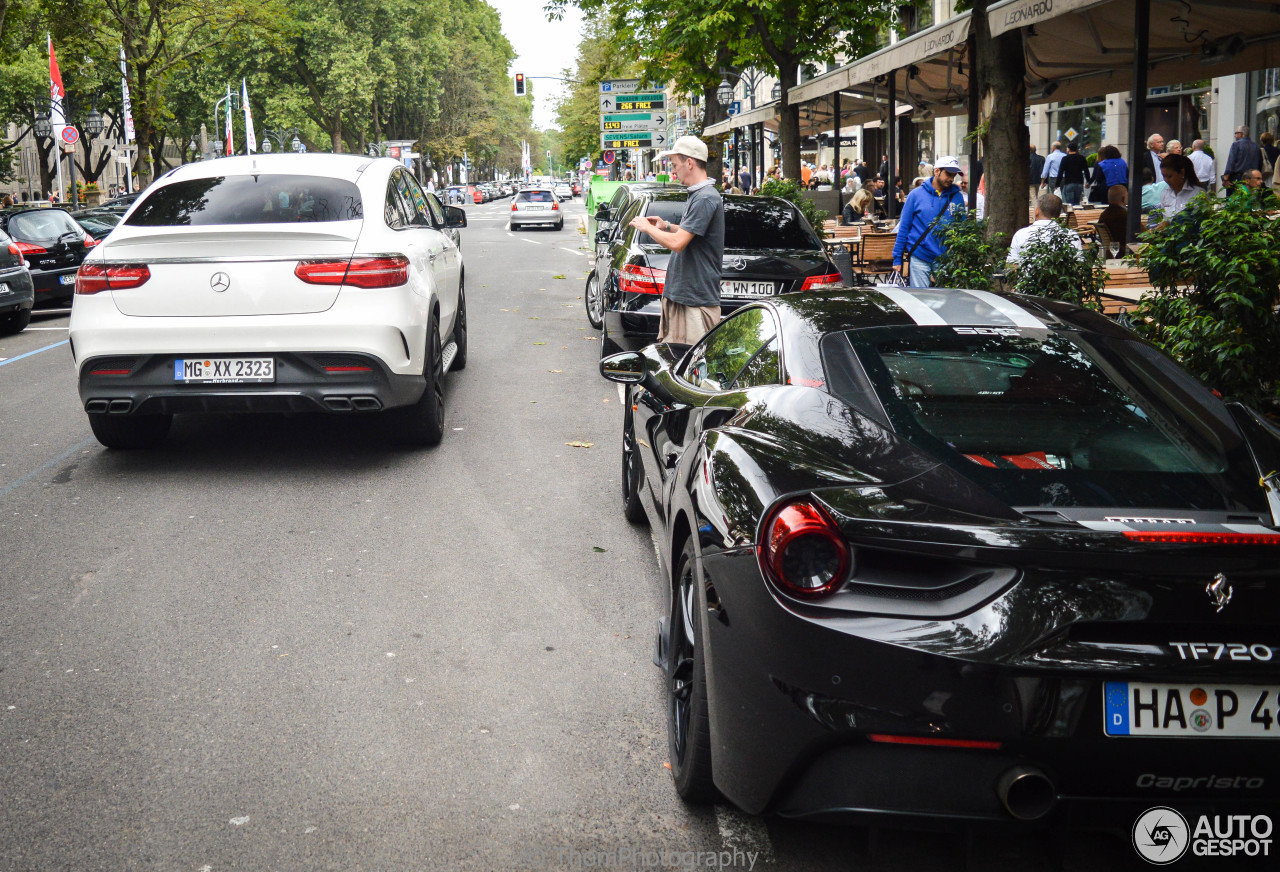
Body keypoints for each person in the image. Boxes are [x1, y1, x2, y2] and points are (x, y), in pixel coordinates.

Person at [628, 136, 724, 345]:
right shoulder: (698, 195)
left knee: (692, 367)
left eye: (675, 165)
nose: (673, 170)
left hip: (695, 301)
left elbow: (678, 244)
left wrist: (646, 228)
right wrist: (667, 226)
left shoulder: (705, 198)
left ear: (690, 163)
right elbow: (695, 233)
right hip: (685, 297)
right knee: (677, 361)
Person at [892, 155, 966, 289]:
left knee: (946, 300)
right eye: (948, 174)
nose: (951, 178)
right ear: (937, 171)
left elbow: (962, 228)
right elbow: (904, 227)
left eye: (954, 175)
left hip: (946, 259)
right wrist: (897, 258)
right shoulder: (916, 195)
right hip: (920, 255)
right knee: (920, 300)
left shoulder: (957, 197)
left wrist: (960, 257)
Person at [1006, 194, 1083, 265]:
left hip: (1028, 279)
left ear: (1036, 212)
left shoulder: (1020, 234)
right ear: (1059, 214)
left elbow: (1012, 265)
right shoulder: (1071, 235)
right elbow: (1079, 264)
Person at [1159, 153, 1207, 223]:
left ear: (1182, 172)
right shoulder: (1165, 193)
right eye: (1164, 176)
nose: (1166, 180)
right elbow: (1165, 220)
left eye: (1169, 176)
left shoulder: (1198, 194)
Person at [1098, 185, 1128, 256]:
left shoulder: (1104, 215)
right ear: (1123, 199)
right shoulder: (1124, 215)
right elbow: (1142, 235)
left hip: (1110, 253)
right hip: (1126, 253)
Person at [1056, 141, 1088, 205]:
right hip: (1079, 183)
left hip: (1069, 183)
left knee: (1070, 204)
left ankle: (1071, 214)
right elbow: (1086, 170)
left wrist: (1057, 184)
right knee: (1077, 203)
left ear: (1069, 149)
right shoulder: (1081, 158)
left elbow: (1060, 172)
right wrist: (1088, 181)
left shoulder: (1065, 158)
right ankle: (1077, 213)